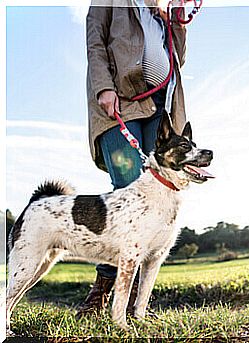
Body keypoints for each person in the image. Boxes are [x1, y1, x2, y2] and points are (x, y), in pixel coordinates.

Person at [78, 0, 187, 317]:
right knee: (129, 190)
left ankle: (137, 303)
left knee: (157, 198)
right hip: (120, 101)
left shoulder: (158, 11)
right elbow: (95, 42)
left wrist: (177, 22)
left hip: (159, 107)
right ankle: (101, 295)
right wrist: (103, 86)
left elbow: (179, 58)